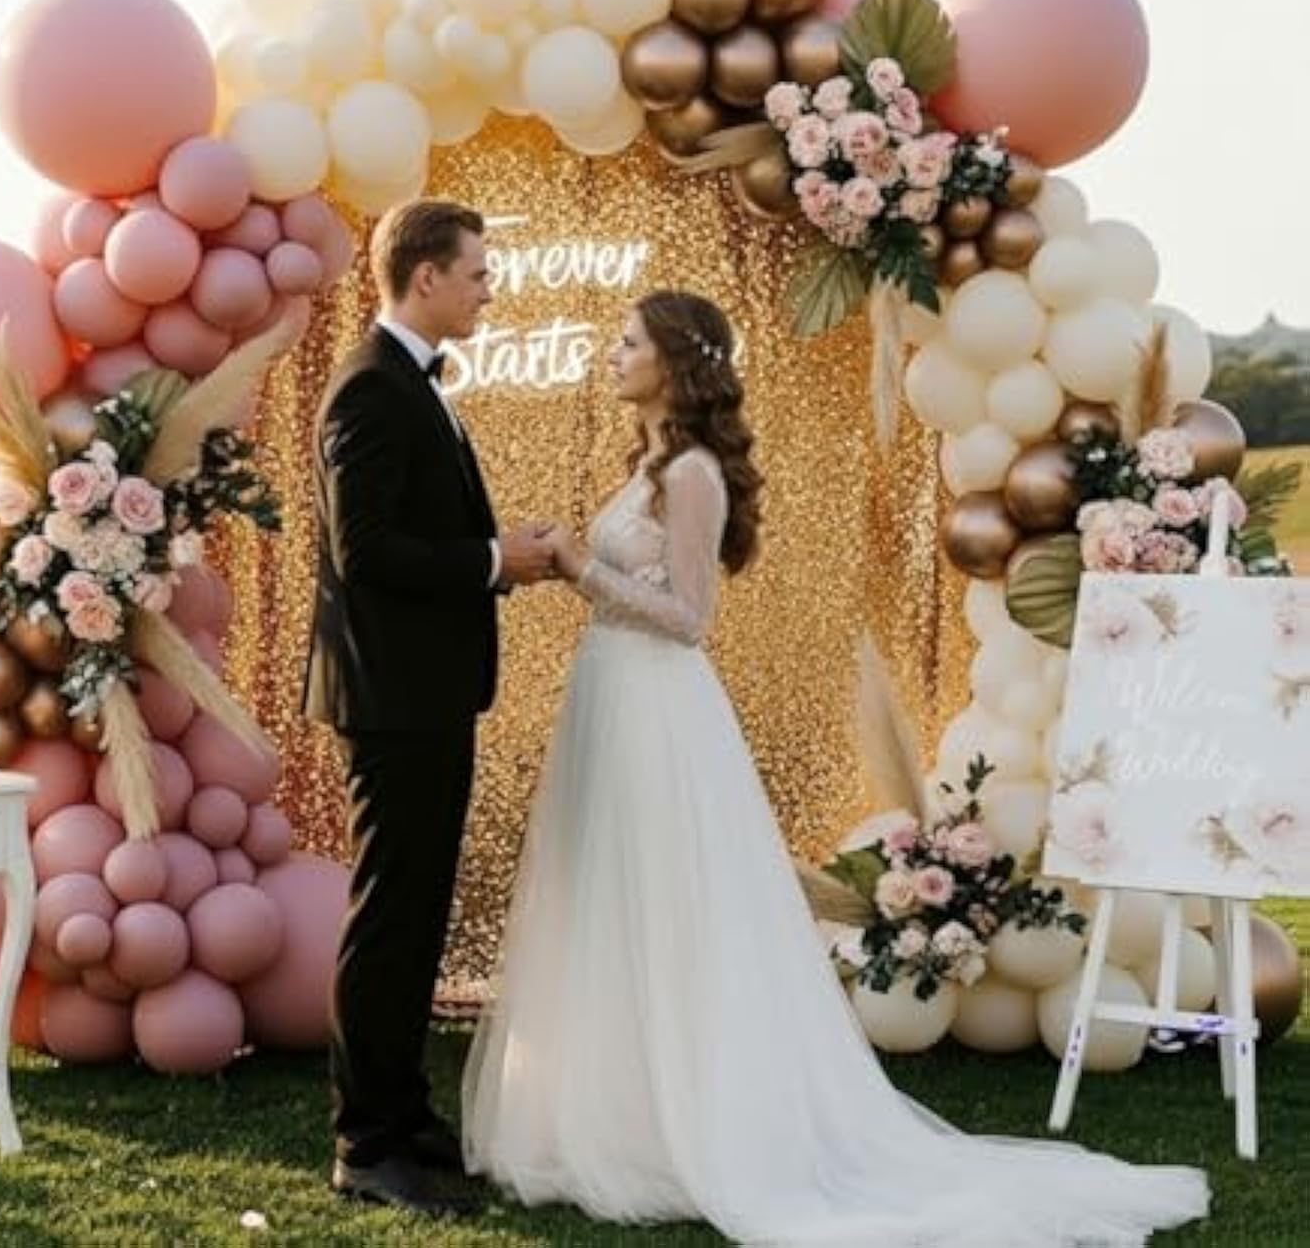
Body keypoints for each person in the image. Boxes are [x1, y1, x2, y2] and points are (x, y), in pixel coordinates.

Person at [462, 289, 1209, 1246]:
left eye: (628, 341)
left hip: (656, 704)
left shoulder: (691, 471)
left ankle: (681, 1121)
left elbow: (691, 618)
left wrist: (578, 568)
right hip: (611, 696)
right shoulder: (647, 461)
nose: (612, 354)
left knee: (663, 903)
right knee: (610, 898)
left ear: (676, 361)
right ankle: (614, 1108)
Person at [304, 197, 553, 1216]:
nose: (490, 290)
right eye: (479, 273)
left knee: (414, 916)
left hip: (426, 693)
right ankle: (366, 1144)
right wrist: (500, 561)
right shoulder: (370, 389)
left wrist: (498, 556)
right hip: (395, 699)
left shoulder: (412, 384)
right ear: (425, 278)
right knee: (391, 918)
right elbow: (367, 555)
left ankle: (404, 1115)